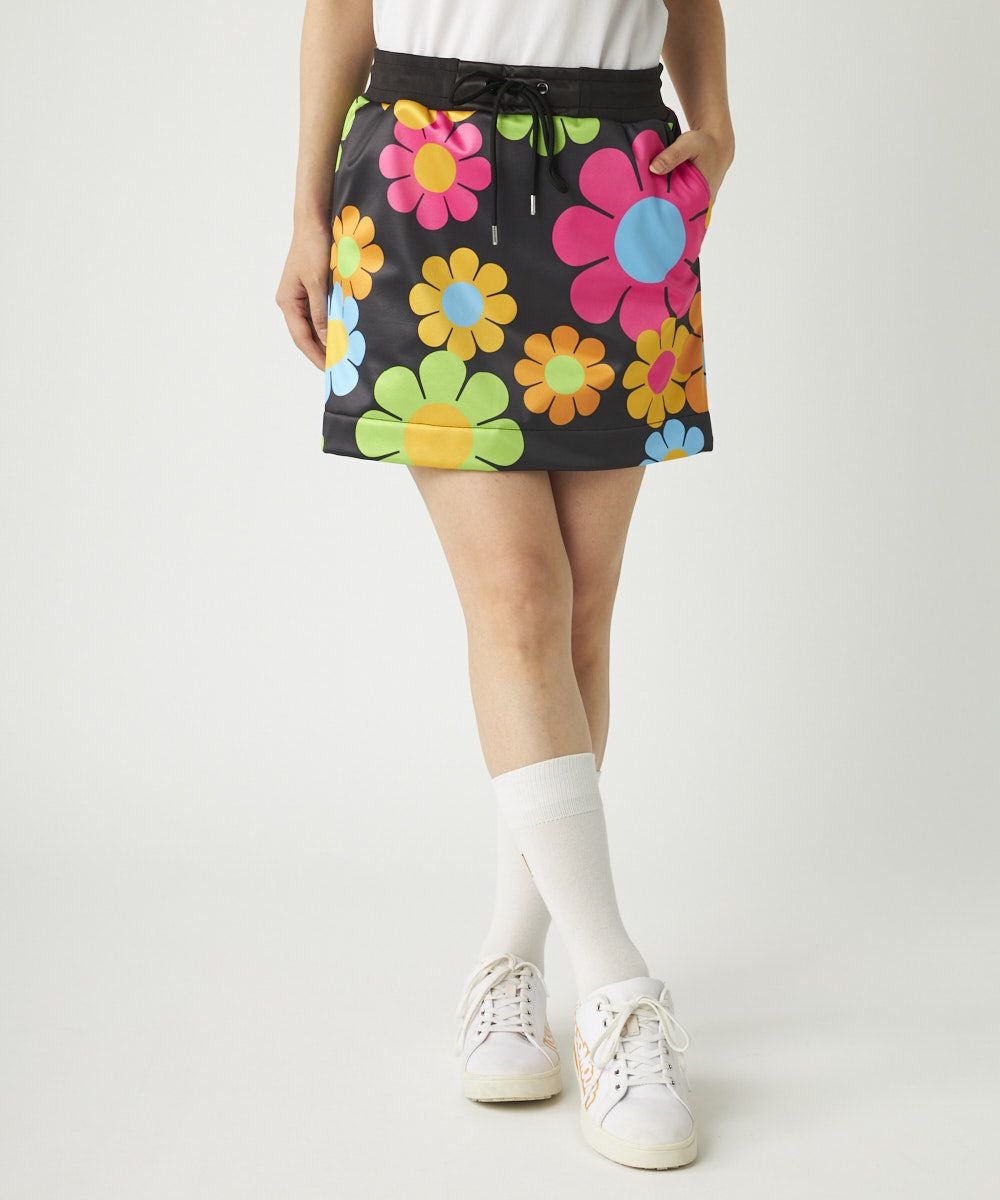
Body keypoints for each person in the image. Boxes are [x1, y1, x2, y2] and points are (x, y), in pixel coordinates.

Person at [276, 0, 734, 1171]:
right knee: (520, 594)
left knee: (581, 612)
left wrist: (717, 119)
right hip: (425, 176)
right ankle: (618, 988)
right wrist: (306, 211)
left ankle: (508, 960)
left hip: (616, 184)